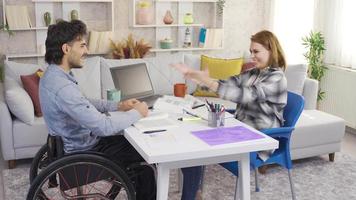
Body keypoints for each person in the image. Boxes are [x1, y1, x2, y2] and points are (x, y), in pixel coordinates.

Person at [40, 19, 203, 200]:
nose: (86, 51)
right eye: (82, 45)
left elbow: (85, 102)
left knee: (140, 141)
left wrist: (118, 105)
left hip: (78, 145)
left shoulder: (54, 76)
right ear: (66, 49)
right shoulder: (63, 87)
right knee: (147, 158)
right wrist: (137, 112)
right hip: (84, 154)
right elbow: (103, 126)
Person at [172, 30, 288, 198]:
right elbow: (228, 84)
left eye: (256, 52)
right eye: (251, 52)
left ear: (271, 50)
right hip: (240, 131)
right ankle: (194, 192)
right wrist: (200, 79)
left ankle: (190, 194)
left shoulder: (276, 78)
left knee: (195, 151)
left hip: (259, 138)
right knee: (192, 141)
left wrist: (208, 82)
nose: (252, 56)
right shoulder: (253, 73)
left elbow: (244, 95)